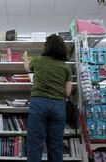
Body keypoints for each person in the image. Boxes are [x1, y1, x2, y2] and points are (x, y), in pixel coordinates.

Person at [23, 34, 72, 162]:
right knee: (56, 144)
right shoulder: (66, 66)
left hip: (38, 103)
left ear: (47, 47)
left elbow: (27, 69)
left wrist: (25, 58)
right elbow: (67, 92)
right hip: (58, 105)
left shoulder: (38, 60)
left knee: (35, 142)